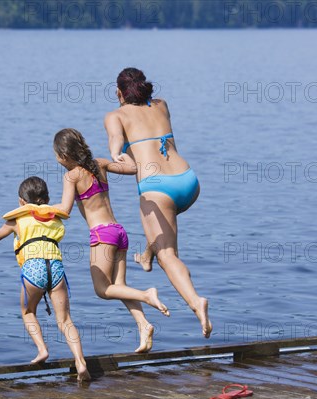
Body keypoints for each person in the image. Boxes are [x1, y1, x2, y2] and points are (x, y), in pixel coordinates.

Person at [103, 67, 212, 338]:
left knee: (168, 254)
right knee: (159, 231)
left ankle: (195, 301)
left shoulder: (115, 116)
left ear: (119, 92)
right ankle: (146, 256)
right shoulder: (162, 105)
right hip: (188, 182)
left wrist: (113, 157)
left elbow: (116, 147)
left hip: (157, 189)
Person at [52, 128, 169, 353]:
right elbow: (133, 167)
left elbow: (65, 210)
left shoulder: (71, 176)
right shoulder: (100, 164)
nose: (57, 160)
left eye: (56, 155)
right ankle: (143, 325)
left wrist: (36, 209)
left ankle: (147, 294)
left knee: (102, 289)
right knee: (119, 287)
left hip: (102, 235)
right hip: (119, 232)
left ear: (64, 156)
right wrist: (121, 154)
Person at [0, 176, 90, 381]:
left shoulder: (17, 219)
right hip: (56, 268)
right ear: (47, 199)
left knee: (28, 312)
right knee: (65, 319)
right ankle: (80, 361)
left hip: (34, 269)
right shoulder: (54, 218)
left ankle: (42, 349)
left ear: (22, 202)